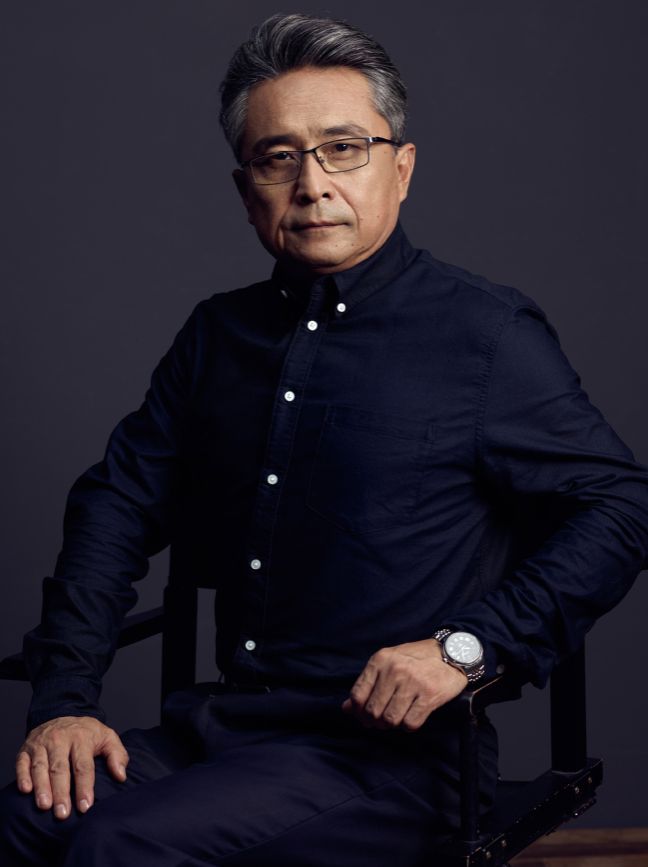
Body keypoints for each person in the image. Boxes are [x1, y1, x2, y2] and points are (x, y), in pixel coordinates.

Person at [2, 12, 648, 867]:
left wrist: (468, 647)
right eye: (279, 158)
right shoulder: (216, 337)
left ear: (400, 169)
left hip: (392, 760)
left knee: (119, 846)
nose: (312, 184)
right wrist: (64, 701)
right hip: (222, 730)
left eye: (344, 148)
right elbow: (116, 504)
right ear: (248, 191)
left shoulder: (486, 334)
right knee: (18, 823)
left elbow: (623, 505)